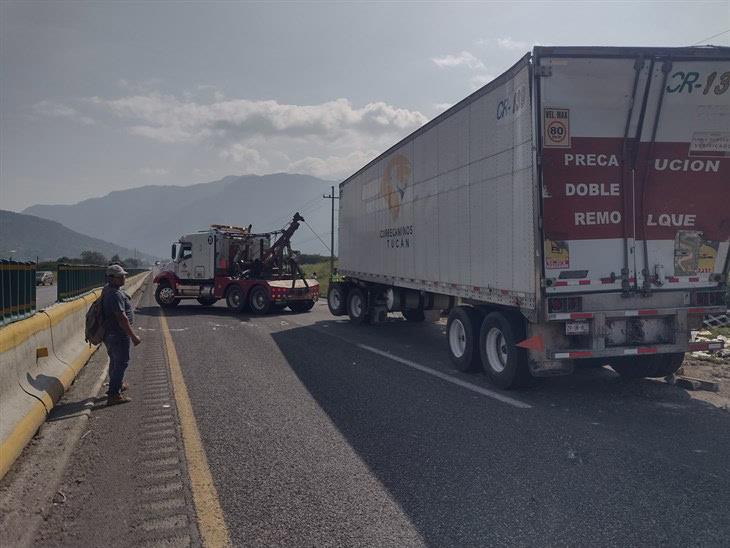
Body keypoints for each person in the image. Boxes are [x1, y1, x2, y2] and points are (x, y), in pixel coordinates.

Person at [102, 264, 141, 405]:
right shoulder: (115, 294)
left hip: (110, 334)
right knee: (121, 363)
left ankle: (116, 385)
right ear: (111, 278)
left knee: (114, 361)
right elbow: (122, 318)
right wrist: (133, 336)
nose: (124, 278)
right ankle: (113, 394)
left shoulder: (107, 290)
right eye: (120, 276)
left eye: (124, 275)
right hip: (118, 334)